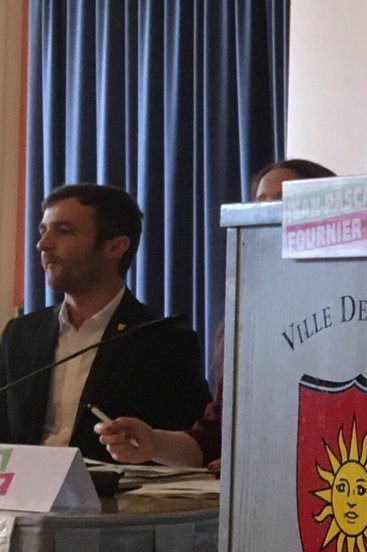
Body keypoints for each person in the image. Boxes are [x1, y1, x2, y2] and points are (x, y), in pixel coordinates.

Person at [96, 157, 337, 468]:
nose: (269, 215)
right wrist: (151, 443)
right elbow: (209, 441)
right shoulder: (249, 318)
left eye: (283, 202)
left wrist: (258, 462)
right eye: (260, 204)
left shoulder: (348, 310)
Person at [0, 183, 211, 462]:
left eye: (64, 231)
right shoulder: (20, 334)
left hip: (114, 488)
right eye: (43, 231)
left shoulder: (164, 340)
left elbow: (193, 448)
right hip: (23, 487)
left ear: (115, 247)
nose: (43, 244)